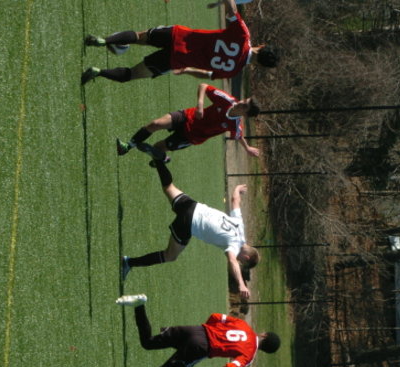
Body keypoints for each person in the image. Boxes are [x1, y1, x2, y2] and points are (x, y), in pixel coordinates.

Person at [120, 159, 258, 299]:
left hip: (192, 206)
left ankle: (159, 160)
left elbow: (235, 200)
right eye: (242, 261)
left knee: (168, 187)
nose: (239, 260)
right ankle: (128, 262)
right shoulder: (235, 246)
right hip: (188, 223)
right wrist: (241, 284)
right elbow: (232, 261)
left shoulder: (240, 225)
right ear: (246, 257)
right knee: (170, 256)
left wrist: (237, 189)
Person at [81, 0, 277, 85]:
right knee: (132, 74)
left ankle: (103, 40)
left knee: (139, 37)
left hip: (178, 35)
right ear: (259, 65)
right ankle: (98, 72)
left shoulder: (243, 36)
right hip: (176, 60)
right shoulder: (233, 71)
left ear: (261, 46)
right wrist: (188, 70)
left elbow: (232, 10)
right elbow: (208, 75)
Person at [111, 294, 280, 367]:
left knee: (149, 342)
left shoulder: (244, 325)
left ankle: (139, 305)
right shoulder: (249, 356)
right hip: (201, 348)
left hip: (196, 331)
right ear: (264, 350)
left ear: (264, 335)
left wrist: (207, 331)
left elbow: (216, 316)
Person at [115, 83, 261, 161]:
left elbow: (239, 135)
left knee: (158, 147)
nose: (240, 103)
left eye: (244, 106)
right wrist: (200, 104)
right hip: (188, 116)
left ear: (245, 114)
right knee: (156, 124)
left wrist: (247, 148)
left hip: (191, 136)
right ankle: (127, 147)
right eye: (244, 100)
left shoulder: (235, 125)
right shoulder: (227, 100)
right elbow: (203, 86)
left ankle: (161, 158)